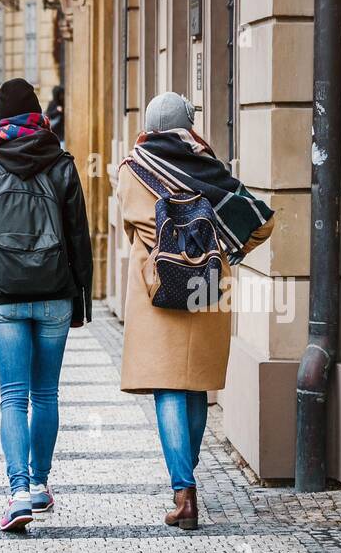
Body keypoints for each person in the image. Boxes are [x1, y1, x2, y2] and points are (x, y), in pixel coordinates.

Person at [116, 92, 274, 530]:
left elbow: (132, 225)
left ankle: (183, 491)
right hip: (207, 286)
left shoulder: (133, 169)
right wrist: (224, 252)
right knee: (196, 387)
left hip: (159, 290)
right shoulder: (210, 169)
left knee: (168, 386)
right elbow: (261, 221)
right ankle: (188, 476)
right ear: (187, 125)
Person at [0, 77, 93, 531]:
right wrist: (81, 300)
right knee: (46, 394)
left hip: (3, 297)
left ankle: (17, 492)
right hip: (55, 294)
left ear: (1, 115)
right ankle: (40, 485)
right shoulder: (61, 163)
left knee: (13, 398)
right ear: (38, 111)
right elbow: (80, 237)